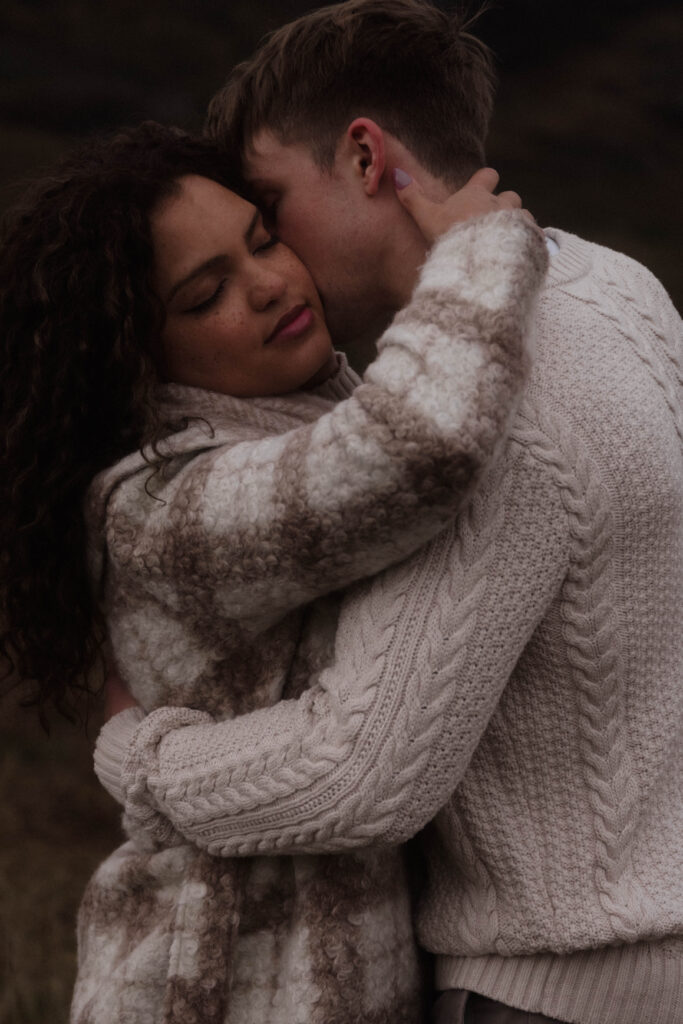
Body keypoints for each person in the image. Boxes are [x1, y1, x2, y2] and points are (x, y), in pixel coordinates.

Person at [96, 2, 683, 1023]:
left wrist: (145, 757)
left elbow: (357, 774)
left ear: (366, 157)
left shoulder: (484, 412)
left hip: (551, 989)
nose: (281, 266)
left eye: (271, 212)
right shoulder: (616, 286)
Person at [0, 120, 546, 1024]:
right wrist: (477, 249)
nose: (266, 285)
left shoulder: (296, 420)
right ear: (139, 358)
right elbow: (417, 446)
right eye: (205, 293)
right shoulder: (162, 505)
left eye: (261, 239)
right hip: (206, 983)